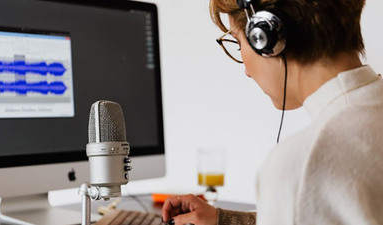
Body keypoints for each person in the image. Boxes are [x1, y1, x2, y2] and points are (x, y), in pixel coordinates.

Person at [162, 0, 383, 224]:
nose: (247, 72)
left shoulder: (302, 165)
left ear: (266, 36)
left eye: (239, 44)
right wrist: (224, 220)